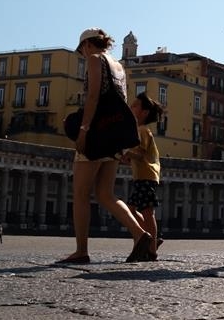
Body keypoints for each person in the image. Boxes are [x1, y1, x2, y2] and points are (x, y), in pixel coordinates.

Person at [57, 28, 153, 264]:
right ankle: (140, 234)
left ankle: (81, 250)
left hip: (97, 135)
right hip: (113, 136)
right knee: (105, 193)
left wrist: (84, 130)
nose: (82, 55)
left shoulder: (94, 59)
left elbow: (93, 98)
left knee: (80, 193)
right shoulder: (118, 65)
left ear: (87, 45)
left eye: (81, 50)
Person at [121, 92, 164, 261]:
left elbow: (140, 154)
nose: (131, 107)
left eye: (135, 105)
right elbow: (135, 156)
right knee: (133, 212)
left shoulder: (142, 130)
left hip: (146, 176)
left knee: (146, 213)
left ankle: (151, 249)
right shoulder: (138, 130)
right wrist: (125, 157)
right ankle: (149, 239)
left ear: (144, 112)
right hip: (142, 177)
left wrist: (124, 151)